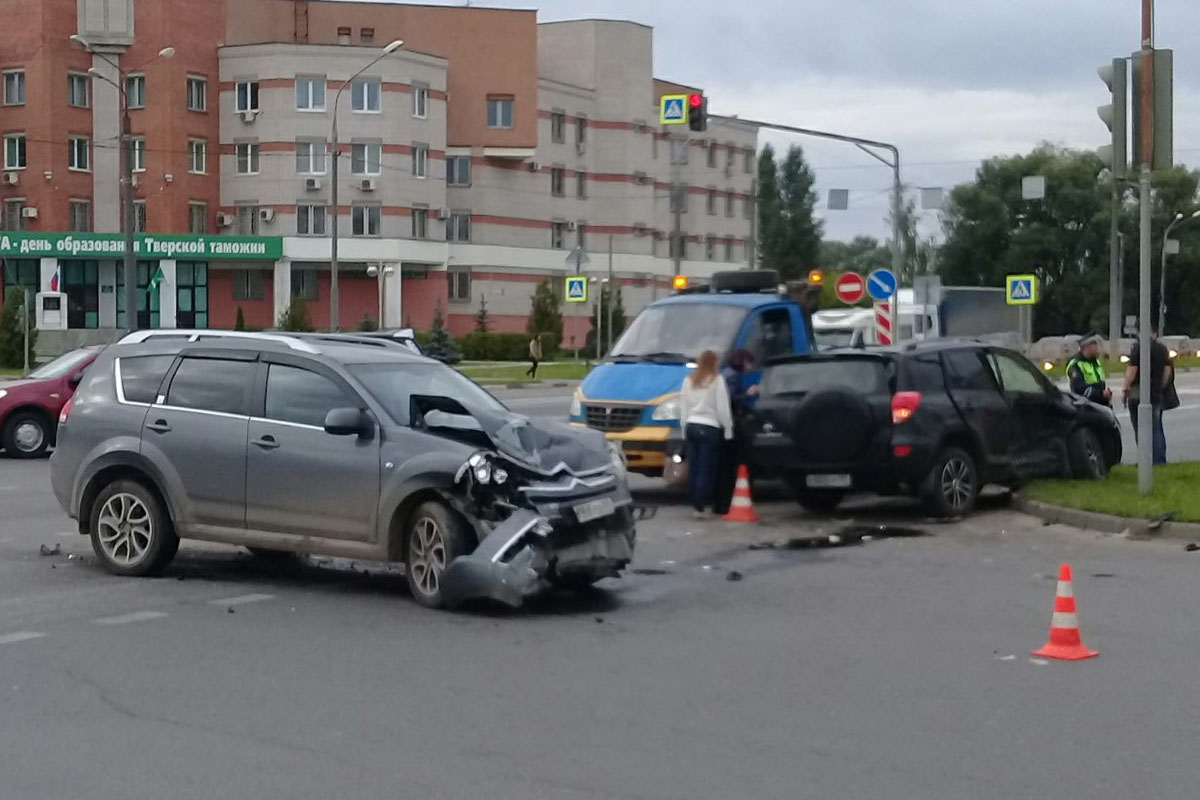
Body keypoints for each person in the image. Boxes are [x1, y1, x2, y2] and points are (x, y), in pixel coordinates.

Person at [680, 350, 734, 519]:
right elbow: (723, 408)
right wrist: (728, 429)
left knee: (694, 467)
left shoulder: (689, 381)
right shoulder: (717, 381)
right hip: (709, 427)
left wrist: (684, 430)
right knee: (706, 468)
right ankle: (702, 505)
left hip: (691, 425)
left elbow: (683, 407)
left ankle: (695, 504)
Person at [713, 349, 757, 515]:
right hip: (730, 426)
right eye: (749, 362)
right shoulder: (733, 377)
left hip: (721, 425)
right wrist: (748, 394)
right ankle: (725, 504)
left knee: (723, 466)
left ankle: (720, 504)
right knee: (730, 466)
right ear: (742, 361)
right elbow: (730, 399)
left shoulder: (724, 374)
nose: (751, 367)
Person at [1122, 322, 1173, 464]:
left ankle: (1146, 460)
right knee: (1156, 428)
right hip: (1156, 392)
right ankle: (1159, 459)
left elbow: (1132, 371)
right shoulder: (1162, 349)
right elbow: (1167, 372)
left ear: (1140, 332)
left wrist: (1125, 389)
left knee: (1141, 428)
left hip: (1138, 392)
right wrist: (1159, 387)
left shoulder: (1138, 348)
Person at [1066, 332, 1112, 406]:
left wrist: (1106, 395)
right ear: (1087, 346)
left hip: (1100, 405)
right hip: (1085, 407)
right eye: (1095, 345)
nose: (1097, 348)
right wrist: (1101, 394)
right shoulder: (1075, 364)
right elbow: (1079, 389)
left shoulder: (1095, 362)